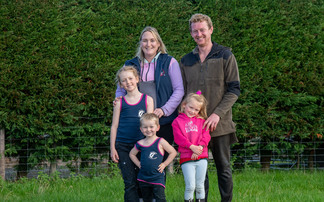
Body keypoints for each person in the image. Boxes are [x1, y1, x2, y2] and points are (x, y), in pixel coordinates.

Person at [180, 14, 241, 202]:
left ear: (211, 29)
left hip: (219, 124)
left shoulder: (225, 55)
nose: (199, 34)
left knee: (223, 168)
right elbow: (182, 93)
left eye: (202, 30)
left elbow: (234, 90)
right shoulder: (185, 60)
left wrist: (216, 115)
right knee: (199, 171)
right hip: (194, 128)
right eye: (195, 31)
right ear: (191, 33)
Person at [115, 26, 184, 154]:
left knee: (158, 164)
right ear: (141, 43)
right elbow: (121, 88)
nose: (148, 44)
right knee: (138, 162)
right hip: (138, 123)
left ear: (158, 43)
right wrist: (118, 98)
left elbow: (179, 90)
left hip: (163, 122)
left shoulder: (169, 62)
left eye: (152, 40)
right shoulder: (130, 64)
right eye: (145, 40)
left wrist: (164, 110)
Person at [110, 66, 154, 202]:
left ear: (137, 79)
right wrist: (112, 148)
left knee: (144, 180)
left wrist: (151, 146)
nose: (128, 82)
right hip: (123, 146)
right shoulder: (119, 102)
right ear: (120, 84)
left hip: (142, 146)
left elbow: (150, 126)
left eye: (130, 78)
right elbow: (114, 125)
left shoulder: (148, 100)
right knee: (130, 182)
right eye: (124, 80)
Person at [172, 91, 211, 202]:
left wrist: (199, 148)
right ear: (184, 105)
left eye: (196, 110)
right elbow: (179, 138)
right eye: (191, 107)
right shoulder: (177, 122)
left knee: (200, 186)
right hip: (186, 158)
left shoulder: (202, 121)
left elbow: (206, 136)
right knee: (190, 186)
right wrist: (191, 147)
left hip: (201, 157)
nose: (193, 111)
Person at [129, 113, 177, 202]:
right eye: (145, 127)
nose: (148, 130)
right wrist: (138, 163)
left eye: (151, 127)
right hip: (143, 178)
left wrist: (164, 164)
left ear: (157, 127)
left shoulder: (161, 141)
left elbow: (173, 152)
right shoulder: (140, 143)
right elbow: (132, 154)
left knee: (160, 199)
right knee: (147, 199)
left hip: (157, 178)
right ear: (141, 129)